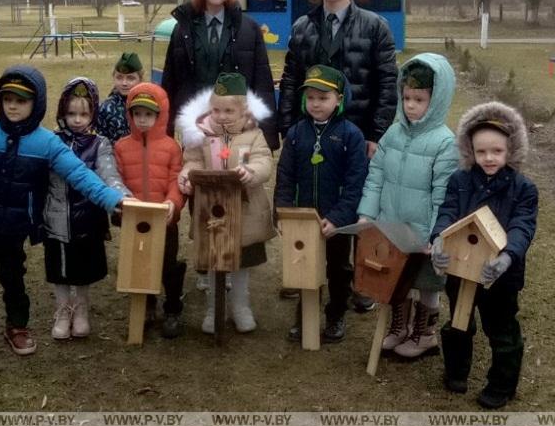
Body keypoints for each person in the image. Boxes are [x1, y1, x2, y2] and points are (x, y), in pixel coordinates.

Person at [0, 65, 127, 360]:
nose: (13, 105)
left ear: (36, 103)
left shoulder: (47, 143)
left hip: (14, 225)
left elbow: (80, 174)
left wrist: (113, 200)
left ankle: (17, 325)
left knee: (13, 275)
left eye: (21, 100)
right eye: (7, 99)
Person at [276, 0, 398, 308]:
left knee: (356, 205)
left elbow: (387, 84)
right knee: (312, 199)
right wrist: (287, 128)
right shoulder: (303, 26)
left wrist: (375, 133)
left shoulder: (375, 27)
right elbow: (290, 79)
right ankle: (304, 270)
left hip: (357, 133)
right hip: (311, 134)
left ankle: (357, 281)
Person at [430, 101, 538, 409]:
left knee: (501, 328)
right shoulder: (460, 181)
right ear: (470, 151)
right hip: (461, 266)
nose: (489, 158)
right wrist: (439, 239)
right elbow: (448, 211)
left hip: (500, 275)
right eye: (481, 152)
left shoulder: (523, 188)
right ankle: (456, 371)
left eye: (497, 151)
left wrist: (506, 257)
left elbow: (522, 226)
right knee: (460, 320)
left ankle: (502, 384)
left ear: (511, 150)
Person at [357, 53, 459, 358]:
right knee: (395, 278)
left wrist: (435, 234)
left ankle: (424, 333)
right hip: (391, 226)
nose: (411, 105)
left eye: (420, 99)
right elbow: (376, 177)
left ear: (436, 99)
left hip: (423, 232)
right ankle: (398, 326)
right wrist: (367, 214)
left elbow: (444, 194)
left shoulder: (445, 143)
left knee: (426, 282)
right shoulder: (392, 133)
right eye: (407, 98)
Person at [274, 65, 368, 343]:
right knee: (303, 266)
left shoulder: (351, 135)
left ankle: (336, 314)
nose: (316, 103)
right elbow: (285, 176)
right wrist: (284, 212)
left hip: (336, 222)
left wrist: (339, 217)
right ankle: (305, 315)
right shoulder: (295, 133)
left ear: (339, 99)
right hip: (303, 218)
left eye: (323, 97)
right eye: (311, 97)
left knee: (338, 269)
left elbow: (356, 183)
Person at [177, 72, 276, 334]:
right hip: (211, 211)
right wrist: (187, 175)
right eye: (216, 110)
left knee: (240, 264)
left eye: (229, 110)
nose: (221, 116)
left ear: (243, 110)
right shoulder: (201, 134)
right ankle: (214, 309)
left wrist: (252, 172)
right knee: (213, 260)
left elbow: (264, 161)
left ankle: (241, 306)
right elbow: (193, 161)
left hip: (244, 211)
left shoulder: (254, 135)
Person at [43, 77, 131, 340]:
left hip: (87, 219)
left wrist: (123, 197)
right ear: (62, 113)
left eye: (84, 113)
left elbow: (109, 174)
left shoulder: (100, 143)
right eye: (71, 113)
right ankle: (62, 310)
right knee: (59, 268)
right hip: (56, 218)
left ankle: (81, 310)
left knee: (83, 269)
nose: (77, 120)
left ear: (93, 113)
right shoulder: (50, 141)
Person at [161, 0, 279, 151]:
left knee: (234, 176)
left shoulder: (249, 28)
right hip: (196, 123)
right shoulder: (183, 29)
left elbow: (263, 82)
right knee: (197, 176)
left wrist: (268, 134)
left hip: (237, 123)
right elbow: (170, 81)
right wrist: (166, 130)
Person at [114, 83, 187, 338]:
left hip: (165, 221)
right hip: (135, 221)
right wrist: (120, 205)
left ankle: (173, 307)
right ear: (130, 115)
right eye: (137, 114)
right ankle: (145, 306)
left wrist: (173, 203)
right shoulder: (122, 147)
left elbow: (175, 179)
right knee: (138, 263)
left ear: (160, 115)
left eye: (148, 114)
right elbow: (117, 180)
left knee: (167, 266)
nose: (142, 120)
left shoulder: (171, 147)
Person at [96, 52, 143, 144]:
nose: (124, 83)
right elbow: (100, 141)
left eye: (130, 78)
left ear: (140, 79)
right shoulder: (105, 108)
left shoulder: (148, 105)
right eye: (119, 77)